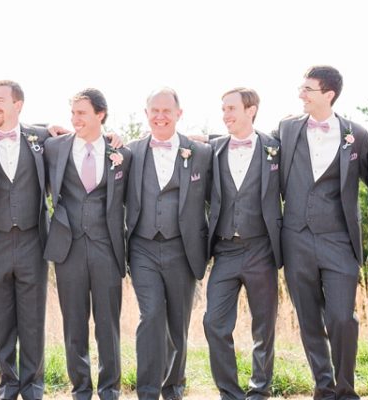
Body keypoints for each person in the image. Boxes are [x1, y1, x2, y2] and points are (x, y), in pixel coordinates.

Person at [274, 65, 368, 399]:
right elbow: (252, 146)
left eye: (307, 89)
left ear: (328, 94)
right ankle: (324, 388)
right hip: (296, 238)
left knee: (342, 318)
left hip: (339, 240)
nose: (300, 94)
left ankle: (345, 389)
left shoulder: (357, 134)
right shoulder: (287, 128)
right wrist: (204, 143)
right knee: (309, 319)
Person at [43, 88, 131, 400]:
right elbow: (18, 133)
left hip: (107, 248)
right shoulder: (55, 147)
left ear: (100, 114)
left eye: (81, 113)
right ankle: (80, 389)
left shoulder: (122, 153)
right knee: (74, 326)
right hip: (68, 249)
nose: (74, 119)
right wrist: (45, 127)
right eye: (73, 113)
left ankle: (109, 390)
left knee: (108, 326)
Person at [126, 88, 212, 400]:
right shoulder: (130, 152)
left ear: (179, 113)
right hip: (143, 247)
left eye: (167, 110)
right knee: (151, 316)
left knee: (178, 322)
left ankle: (173, 388)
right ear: (146, 113)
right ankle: (147, 391)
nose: (160, 116)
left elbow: (235, 146)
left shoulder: (200, 152)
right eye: (155, 110)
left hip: (183, 249)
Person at [0, 80, 50, 400]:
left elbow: (82, 138)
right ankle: (8, 385)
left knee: (33, 321)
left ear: (18, 105)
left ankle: (33, 388)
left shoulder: (40, 138)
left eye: (0, 100)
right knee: (0, 320)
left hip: (33, 242)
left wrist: (113, 138)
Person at [203, 87, 282, 400]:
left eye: (231, 108)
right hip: (225, 250)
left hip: (262, 248)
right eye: (223, 109)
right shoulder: (213, 148)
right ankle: (230, 392)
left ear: (251, 110)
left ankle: (260, 390)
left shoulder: (274, 147)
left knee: (264, 326)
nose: (225, 115)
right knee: (214, 323)